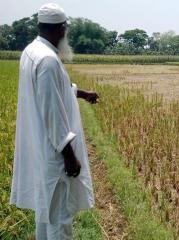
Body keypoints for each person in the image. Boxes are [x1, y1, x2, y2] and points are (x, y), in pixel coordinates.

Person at [9, 3, 99, 239]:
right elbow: (52, 112)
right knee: (60, 218)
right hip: (55, 155)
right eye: (65, 28)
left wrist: (82, 93)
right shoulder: (48, 60)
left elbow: (52, 91)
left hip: (42, 149)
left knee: (46, 213)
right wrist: (69, 156)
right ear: (60, 29)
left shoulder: (31, 51)